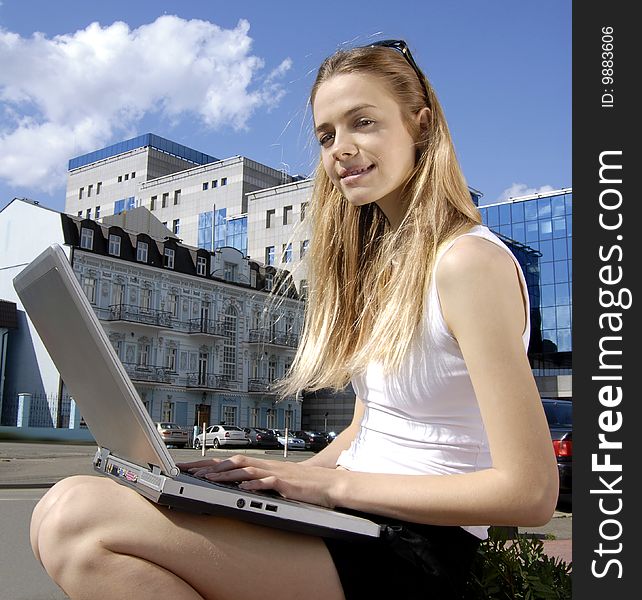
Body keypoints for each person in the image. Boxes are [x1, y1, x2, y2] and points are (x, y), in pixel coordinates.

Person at [29, 40, 559, 599]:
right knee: (58, 521)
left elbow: (530, 492)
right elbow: (369, 425)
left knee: (78, 517)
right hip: (353, 520)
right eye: (327, 135)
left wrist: (328, 484)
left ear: (421, 127)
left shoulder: (468, 262)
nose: (341, 149)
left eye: (363, 122)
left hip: (415, 550)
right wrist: (261, 479)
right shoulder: (386, 269)